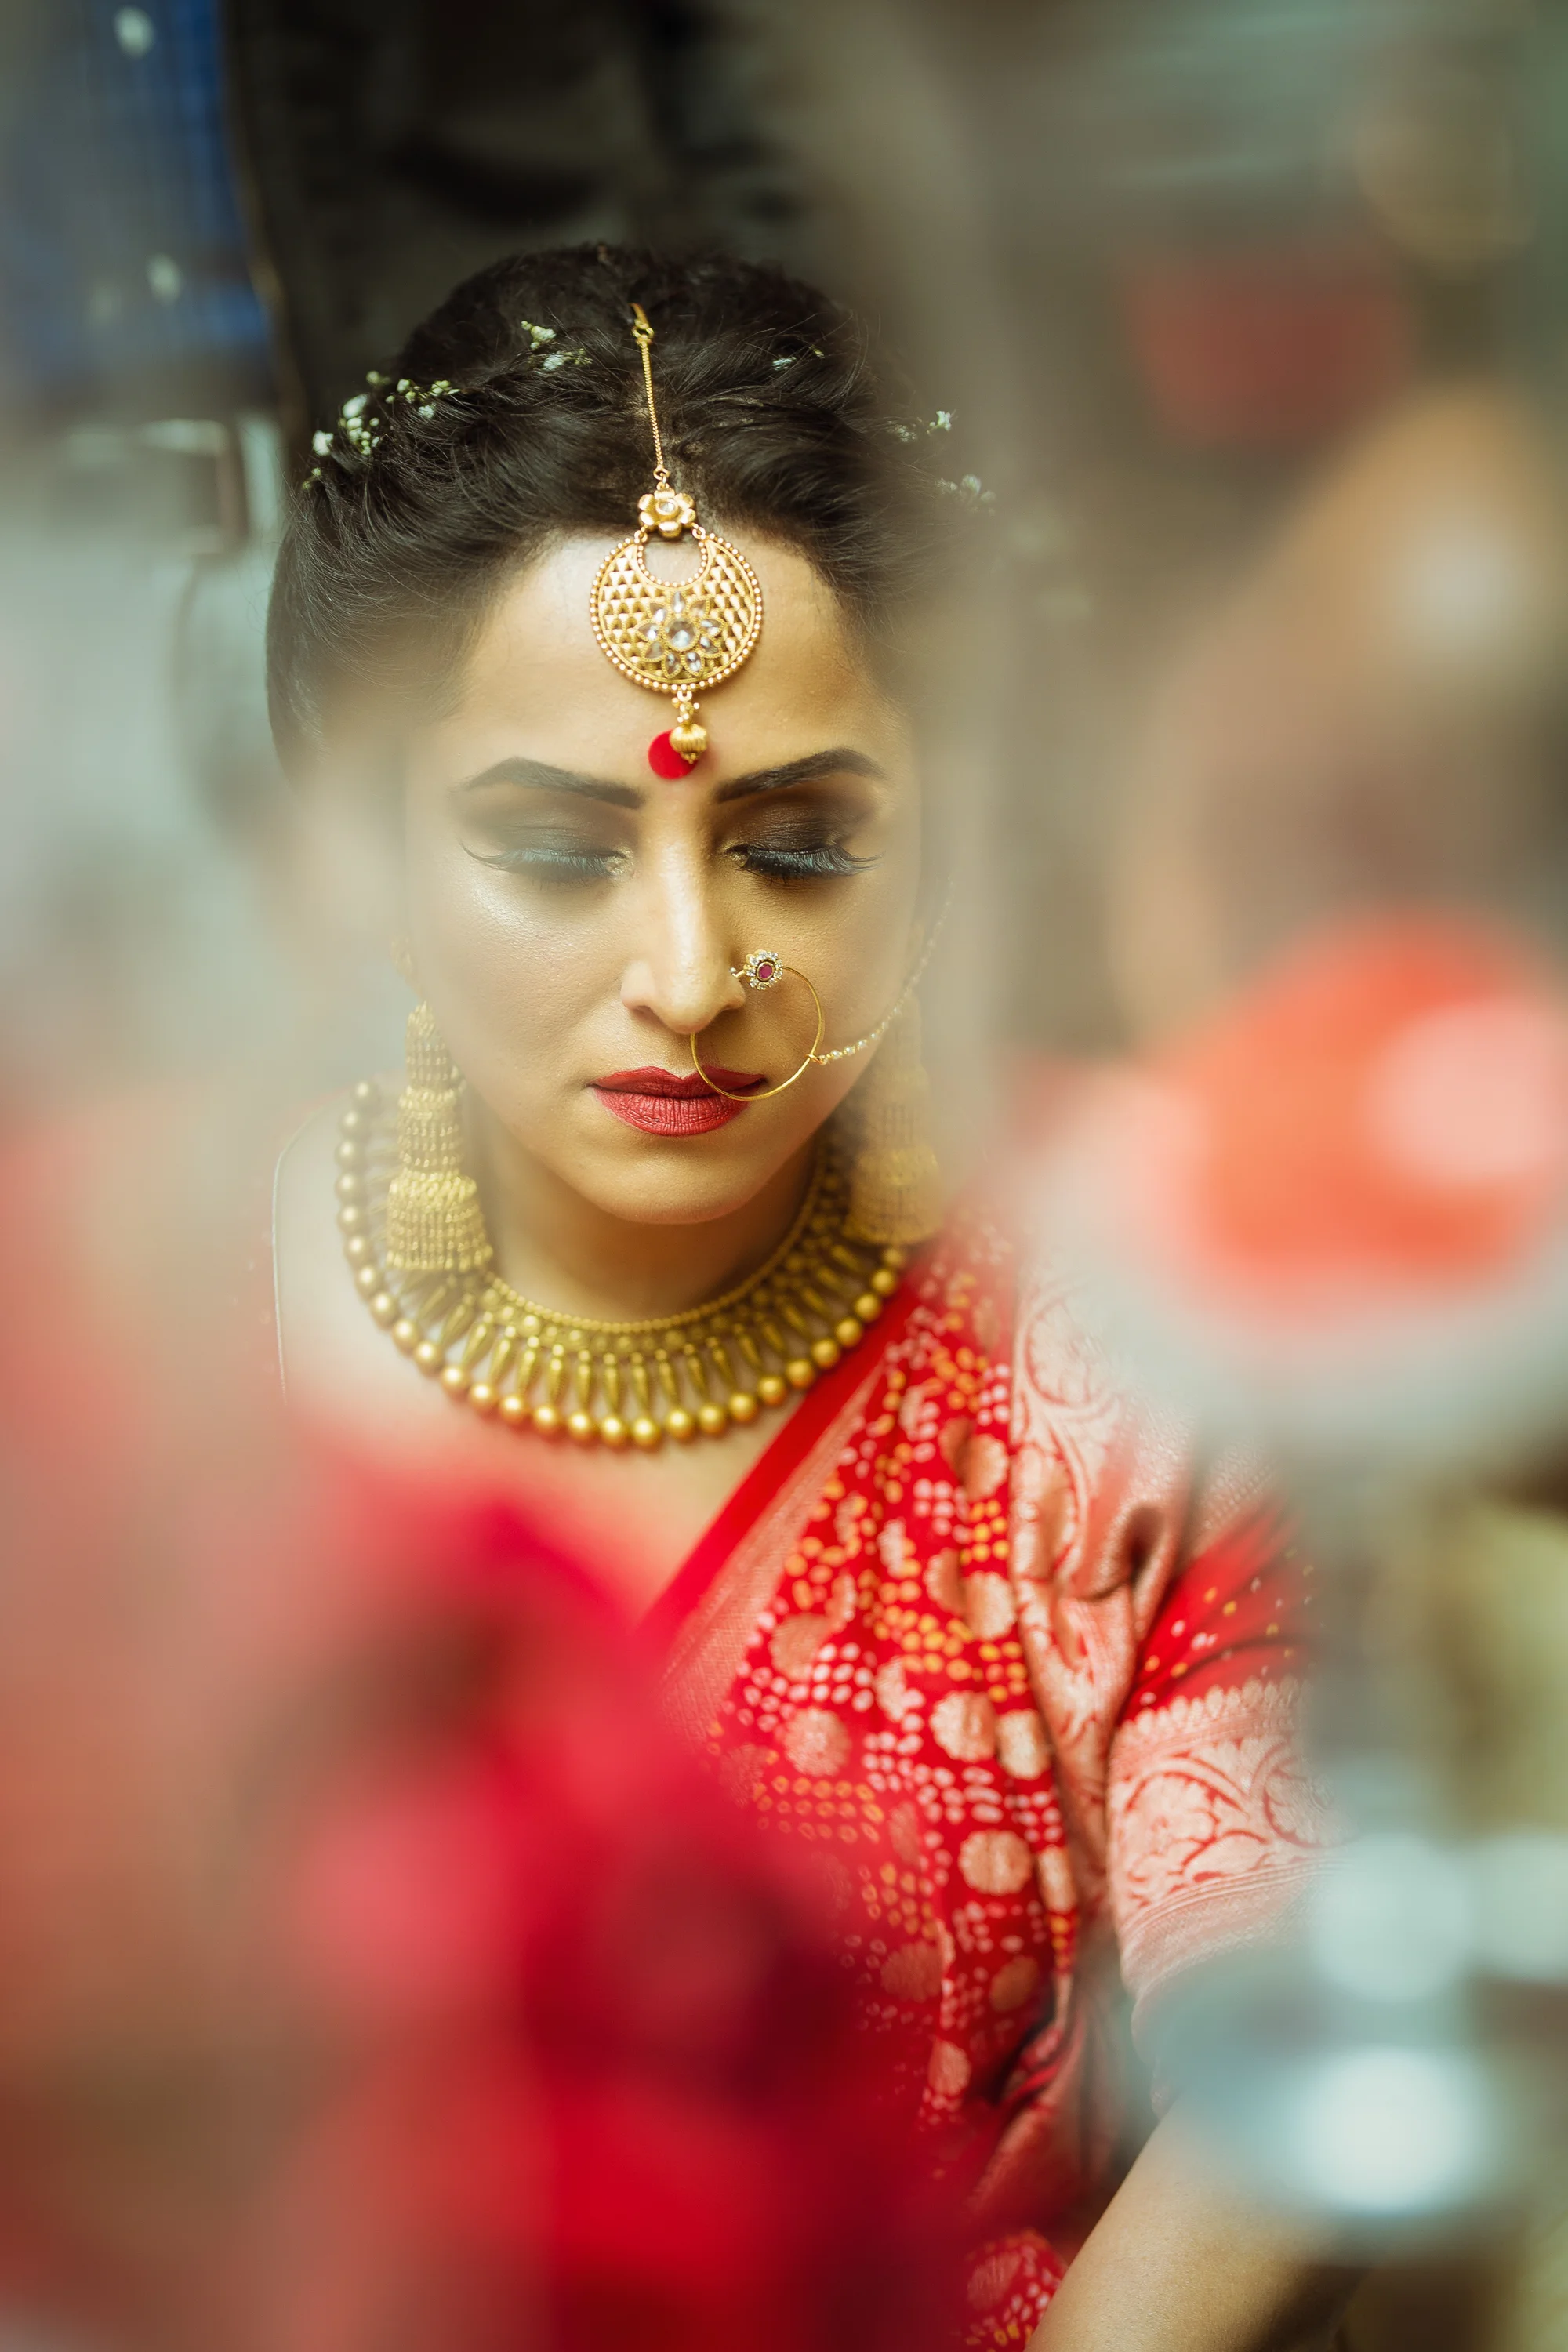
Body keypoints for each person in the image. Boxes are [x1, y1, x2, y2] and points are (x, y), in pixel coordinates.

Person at [267, 243, 1341, 2349]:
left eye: (805, 846)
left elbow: (1281, 2061)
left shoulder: (1122, 1322)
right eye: (557, 853)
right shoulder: (142, 1343)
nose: (689, 974)